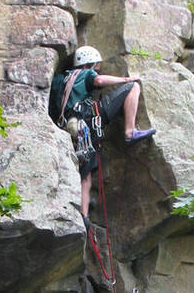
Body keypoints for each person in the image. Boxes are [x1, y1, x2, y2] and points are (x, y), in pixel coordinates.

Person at [49, 45, 156, 225]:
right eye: (96, 67)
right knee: (133, 87)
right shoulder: (85, 74)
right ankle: (130, 131)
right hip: (90, 119)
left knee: (85, 173)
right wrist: (126, 78)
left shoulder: (58, 80)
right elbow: (98, 81)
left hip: (70, 128)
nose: (97, 70)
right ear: (88, 64)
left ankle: (84, 217)